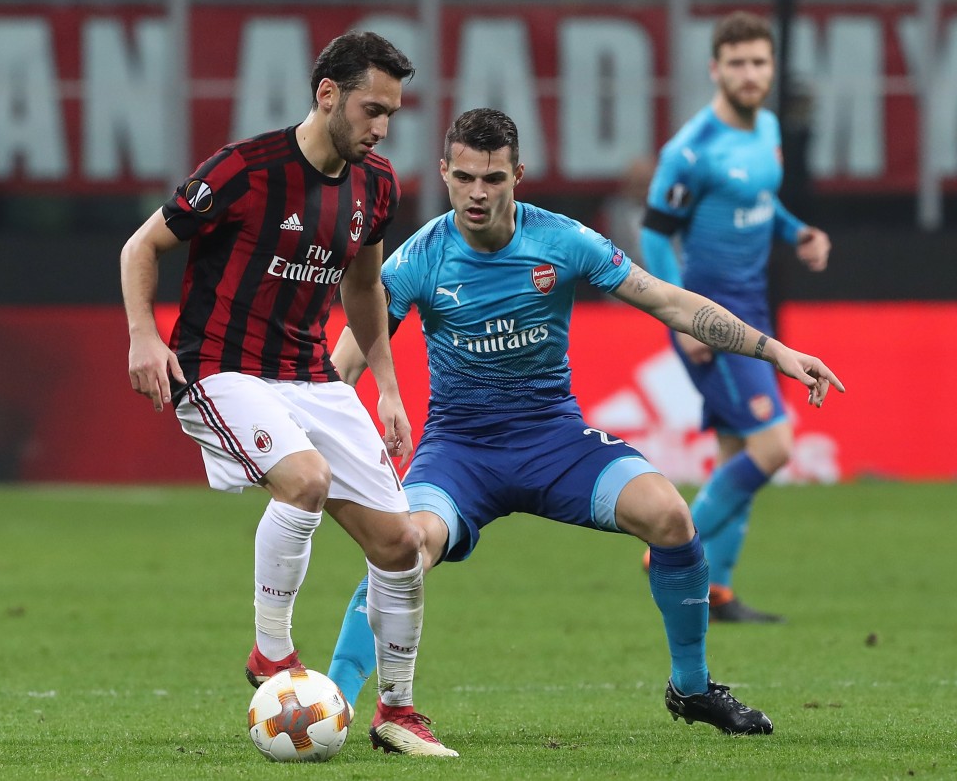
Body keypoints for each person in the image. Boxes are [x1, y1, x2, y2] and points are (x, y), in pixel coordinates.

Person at [325, 108, 844, 736]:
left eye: (493, 178)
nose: (478, 194)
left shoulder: (562, 241)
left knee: (672, 517)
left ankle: (692, 687)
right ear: (444, 173)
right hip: (460, 453)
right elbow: (348, 355)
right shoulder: (420, 257)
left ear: (519, 173)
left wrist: (777, 352)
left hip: (554, 441)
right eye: (464, 178)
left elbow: (669, 301)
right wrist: (319, 432)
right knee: (402, 546)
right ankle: (334, 703)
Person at [119, 30, 457, 758]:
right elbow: (141, 247)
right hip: (218, 368)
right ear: (327, 94)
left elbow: (364, 285)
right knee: (304, 480)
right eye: (372, 109)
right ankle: (271, 653)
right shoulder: (242, 170)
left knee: (400, 545)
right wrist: (144, 336)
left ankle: (396, 709)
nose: (383, 127)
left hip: (311, 375)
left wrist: (388, 388)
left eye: (392, 113)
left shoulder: (377, 185)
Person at [640, 11, 832, 623]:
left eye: (759, 62)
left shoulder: (768, 128)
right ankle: (671, 541)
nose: (750, 74)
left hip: (757, 310)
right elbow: (653, 237)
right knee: (773, 446)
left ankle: (715, 591)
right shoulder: (691, 150)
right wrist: (681, 322)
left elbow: (759, 198)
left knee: (735, 455)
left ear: (772, 68)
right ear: (715, 69)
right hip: (712, 320)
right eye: (738, 63)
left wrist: (795, 230)